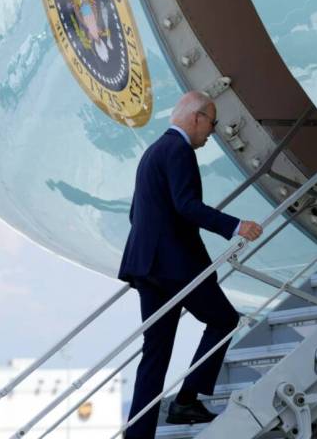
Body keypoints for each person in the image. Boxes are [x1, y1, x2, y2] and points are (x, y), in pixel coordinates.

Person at [118, 91, 263, 438]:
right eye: (211, 124)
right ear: (196, 118)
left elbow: (135, 213)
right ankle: (186, 400)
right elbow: (186, 205)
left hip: (146, 267)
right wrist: (235, 226)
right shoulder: (180, 150)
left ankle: (138, 434)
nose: (211, 133)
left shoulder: (153, 152)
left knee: (156, 353)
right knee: (225, 320)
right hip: (175, 267)